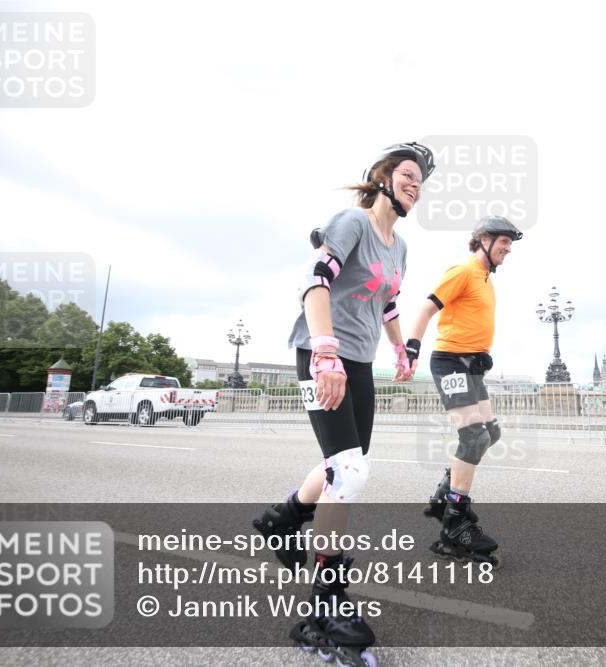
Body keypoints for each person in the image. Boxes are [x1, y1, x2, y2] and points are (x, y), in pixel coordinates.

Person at [253, 142, 433, 666]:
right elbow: (315, 284)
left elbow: (389, 300)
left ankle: (282, 518)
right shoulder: (352, 222)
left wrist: (401, 346)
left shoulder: (398, 246)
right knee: (349, 472)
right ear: (382, 177)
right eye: (406, 174)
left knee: (345, 466)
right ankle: (324, 606)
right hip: (321, 351)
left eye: (420, 180)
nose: (414, 184)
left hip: (359, 361)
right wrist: (325, 354)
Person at [403, 215, 522, 566]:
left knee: (491, 433)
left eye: (510, 244)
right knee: (473, 438)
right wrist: (411, 350)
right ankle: (455, 521)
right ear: (484, 239)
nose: (508, 249)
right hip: (450, 363)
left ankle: (444, 493)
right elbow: (426, 308)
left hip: (472, 365)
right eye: (504, 241)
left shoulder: (486, 281)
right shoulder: (464, 271)